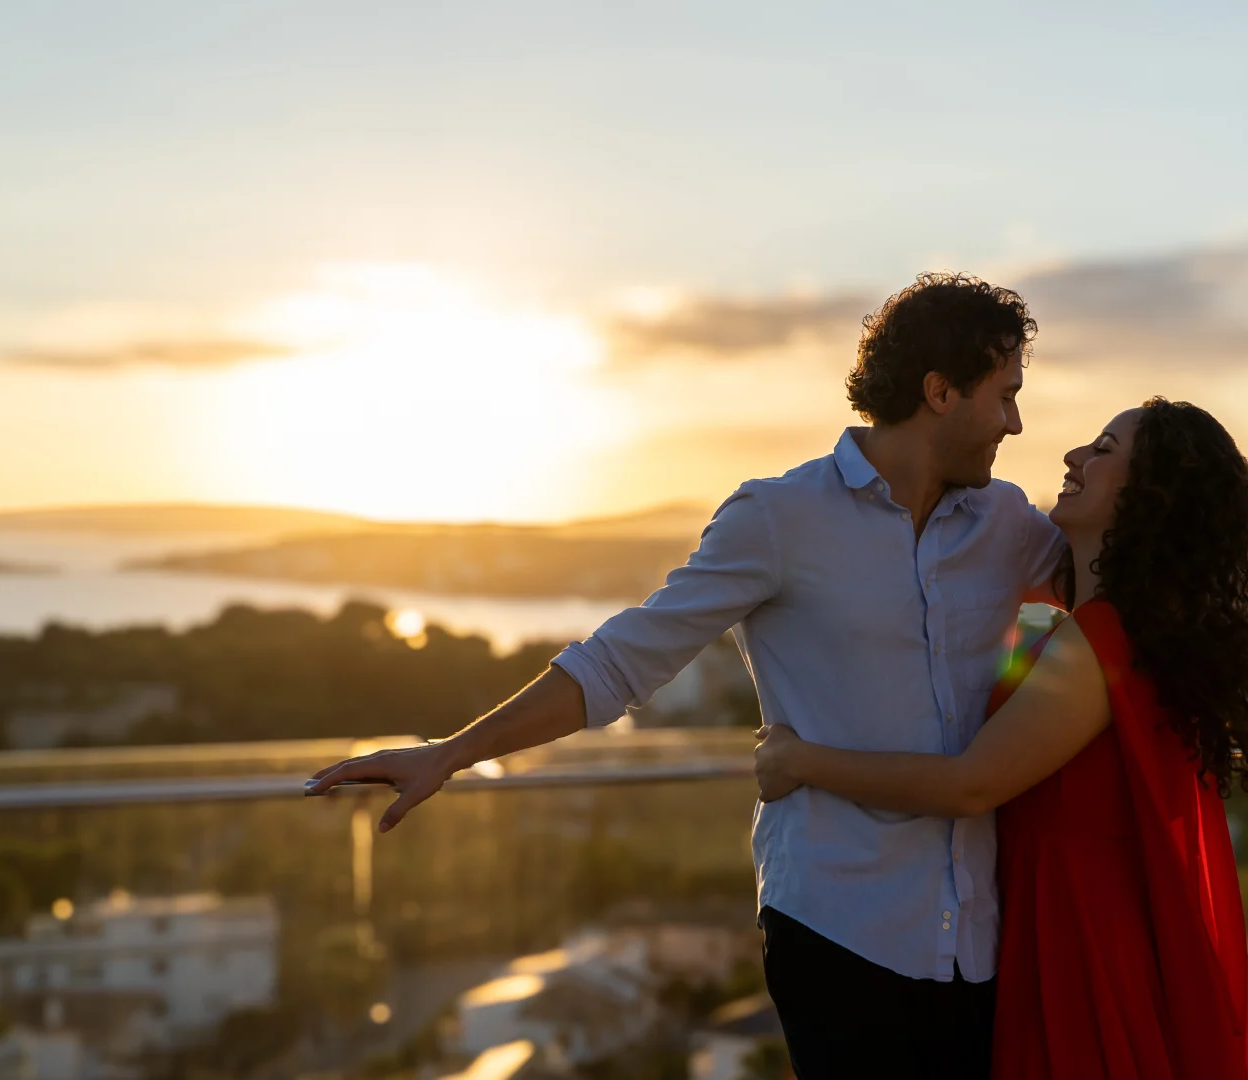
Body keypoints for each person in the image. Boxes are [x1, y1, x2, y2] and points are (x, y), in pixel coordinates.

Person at [308, 272, 1067, 1078]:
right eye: (1005, 394)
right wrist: (451, 752)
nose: (1016, 423)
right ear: (940, 391)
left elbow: (1116, 597)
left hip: (980, 938)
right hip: (838, 925)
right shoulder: (779, 518)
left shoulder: (1008, 523)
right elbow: (622, 659)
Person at [754, 397, 1248, 1079]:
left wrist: (800, 758)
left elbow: (971, 782)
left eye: (1103, 450)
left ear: (1152, 496)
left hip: (1079, 939)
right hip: (1061, 920)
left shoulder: (1099, 641)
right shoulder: (1083, 624)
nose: (1074, 458)